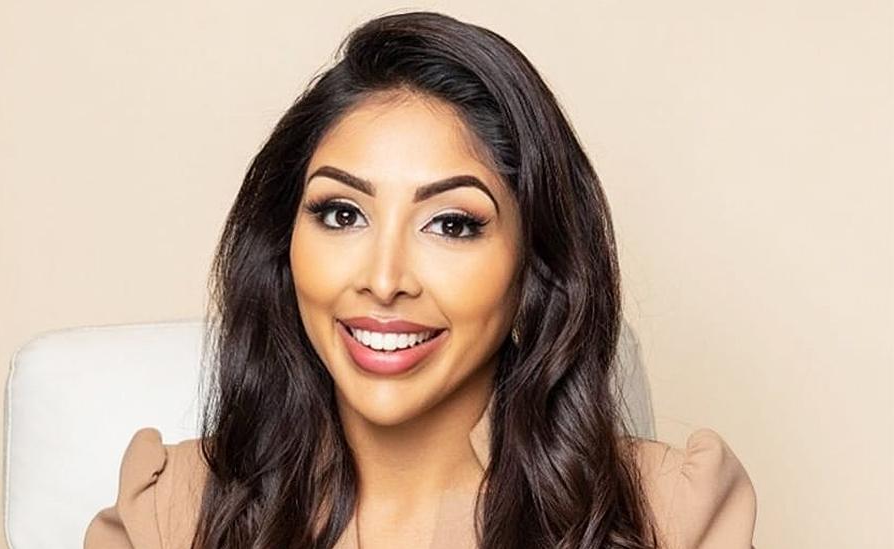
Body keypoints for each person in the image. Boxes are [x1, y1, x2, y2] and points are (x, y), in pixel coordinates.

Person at [84, 10, 756, 549]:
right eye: (342, 213)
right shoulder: (171, 515)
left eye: (453, 224)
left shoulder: (674, 516)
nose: (384, 278)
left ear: (535, 265)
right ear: (283, 247)